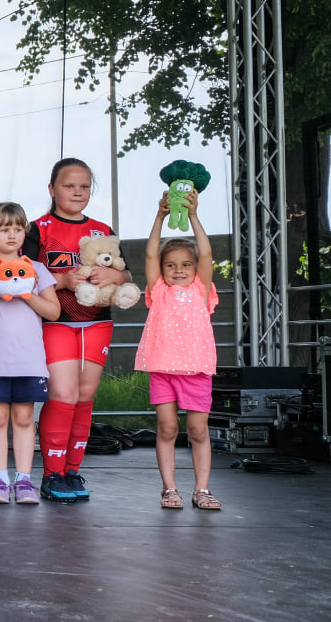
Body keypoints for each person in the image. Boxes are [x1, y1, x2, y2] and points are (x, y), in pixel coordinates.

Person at [26, 158, 129, 504]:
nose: (77, 192)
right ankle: (51, 474)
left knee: (85, 395)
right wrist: (62, 280)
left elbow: (127, 274)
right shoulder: (38, 229)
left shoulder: (102, 229)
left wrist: (116, 276)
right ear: (52, 188)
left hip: (97, 322)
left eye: (84, 186)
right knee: (64, 393)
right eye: (69, 186)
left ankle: (72, 470)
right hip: (57, 323)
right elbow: (21, 275)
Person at [0, 202, 61, 505]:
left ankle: (24, 480)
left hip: (28, 359)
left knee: (23, 416)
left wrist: (27, 291)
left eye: (18, 229)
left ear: (25, 232)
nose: (11, 235)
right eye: (4, 229)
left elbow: (54, 312)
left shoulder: (38, 269)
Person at [135, 187, 220, 510]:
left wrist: (193, 215)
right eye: (171, 265)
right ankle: (169, 489)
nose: (179, 270)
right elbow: (150, 255)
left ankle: (202, 489)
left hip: (196, 370)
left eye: (186, 264)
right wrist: (160, 217)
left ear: (195, 269)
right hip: (162, 369)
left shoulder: (201, 290)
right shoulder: (158, 290)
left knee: (198, 429)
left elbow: (207, 255)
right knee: (168, 428)